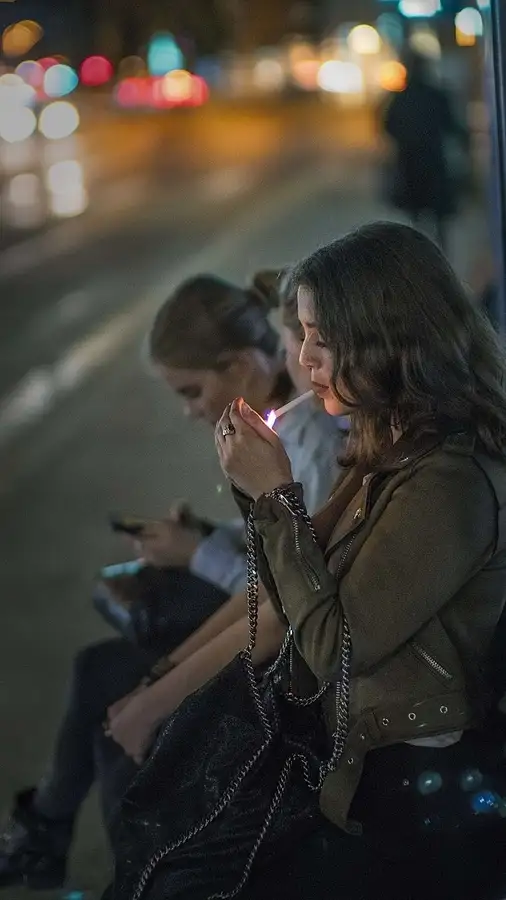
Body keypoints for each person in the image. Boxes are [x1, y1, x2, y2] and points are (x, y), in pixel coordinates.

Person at [110, 222, 506, 899]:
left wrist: (274, 496)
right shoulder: (387, 440)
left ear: (385, 339)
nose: (305, 359)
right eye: (303, 335)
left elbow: (333, 649)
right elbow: (284, 587)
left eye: (322, 338)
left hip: (408, 788)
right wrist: (258, 496)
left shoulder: (447, 479)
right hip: (351, 752)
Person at [0, 272, 345, 891]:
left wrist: (197, 562)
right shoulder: (281, 433)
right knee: (105, 681)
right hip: (277, 632)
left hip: (300, 673)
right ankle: (53, 838)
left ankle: (104, 865)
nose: (303, 367)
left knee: (126, 730)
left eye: (307, 344)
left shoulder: (311, 443)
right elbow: (275, 573)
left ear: (243, 364)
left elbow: (283, 600)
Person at [382, 51, 469, 253]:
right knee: (439, 219)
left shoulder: (400, 98)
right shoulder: (436, 95)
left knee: (415, 217)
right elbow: (451, 125)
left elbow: (388, 126)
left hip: (410, 162)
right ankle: (442, 255)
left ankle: (420, 255)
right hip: (433, 161)